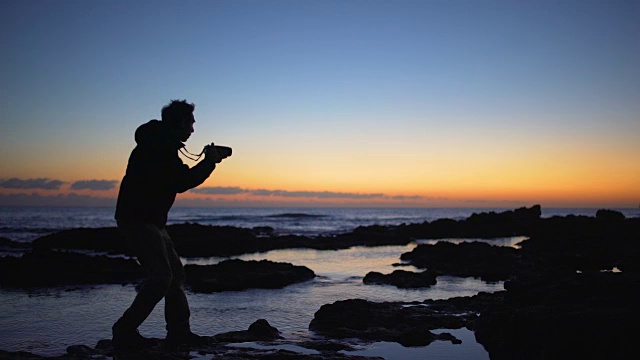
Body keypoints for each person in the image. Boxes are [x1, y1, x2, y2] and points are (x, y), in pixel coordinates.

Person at [112, 99, 226, 349]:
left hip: (150, 220)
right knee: (162, 277)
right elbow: (181, 181)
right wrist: (209, 162)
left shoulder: (161, 144)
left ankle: (179, 333)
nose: (193, 130)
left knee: (174, 275)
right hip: (138, 218)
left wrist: (207, 161)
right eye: (191, 123)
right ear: (181, 122)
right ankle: (124, 330)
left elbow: (177, 179)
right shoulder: (158, 147)